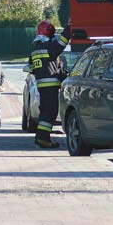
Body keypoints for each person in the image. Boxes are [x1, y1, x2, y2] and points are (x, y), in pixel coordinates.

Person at [30, 20, 71, 148]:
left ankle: (41, 137)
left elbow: (34, 66)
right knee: (50, 111)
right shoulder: (49, 47)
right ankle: (42, 138)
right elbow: (62, 42)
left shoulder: (35, 48)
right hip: (50, 86)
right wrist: (69, 27)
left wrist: (60, 73)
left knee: (45, 111)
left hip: (42, 86)